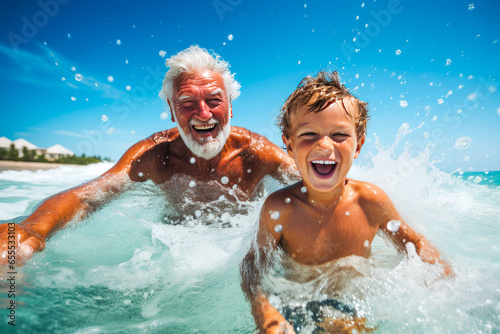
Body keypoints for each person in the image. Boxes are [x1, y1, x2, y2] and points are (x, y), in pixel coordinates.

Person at [0, 45, 299, 266]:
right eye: (187, 102)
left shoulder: (255, 153)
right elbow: (87, 197)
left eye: (213, 100)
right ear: (171, 111)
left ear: (231, 107)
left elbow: (317, 183)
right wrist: (32, 229)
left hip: (243, 247)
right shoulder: (155, 155)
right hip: (175, 247)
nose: (203, 113)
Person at [241, 71, 453, 334]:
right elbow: (253, 265)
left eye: (339, 134)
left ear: (358, 145)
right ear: (289, 145)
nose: (325, 145)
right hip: (293, 299)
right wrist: (265, 311)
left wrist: (444, 279)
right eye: (309, 134)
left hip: (352, 302)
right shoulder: (281, 207)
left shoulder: (370, 202)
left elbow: (415, 244)